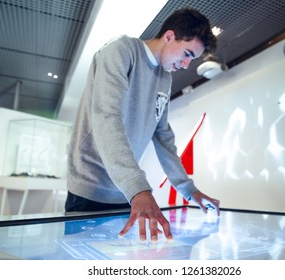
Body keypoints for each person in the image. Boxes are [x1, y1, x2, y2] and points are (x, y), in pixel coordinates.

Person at [66, 8, 220, 241]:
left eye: (193, 59)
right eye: (187, 53)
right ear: (169, 36)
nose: (187, 64)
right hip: (91, 188)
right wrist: (138, 187)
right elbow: (107, 115)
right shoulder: (121, 50)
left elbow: (163, 137)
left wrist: (189, 190)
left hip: (127, 194)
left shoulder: (165, 79)